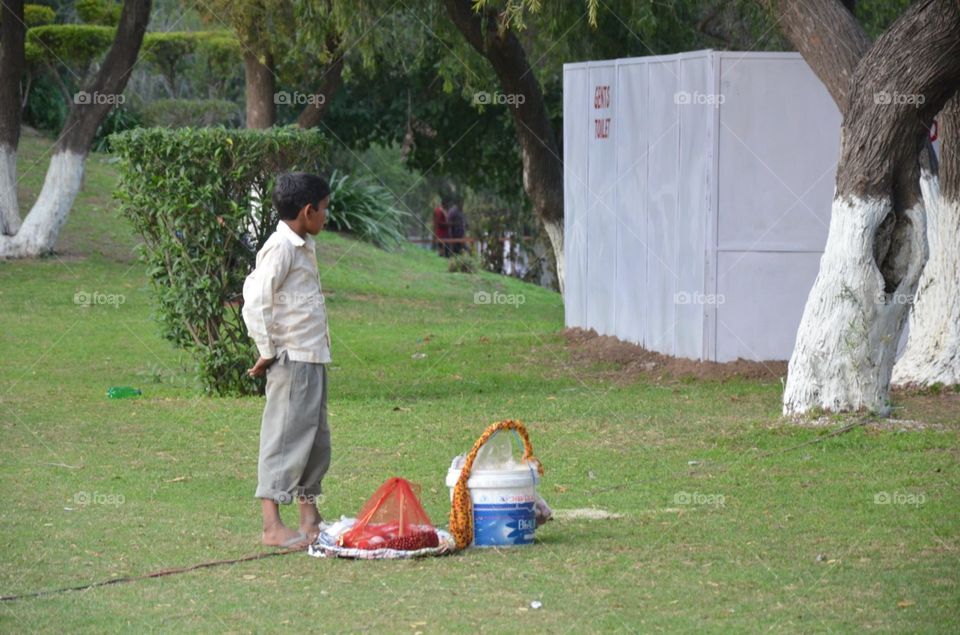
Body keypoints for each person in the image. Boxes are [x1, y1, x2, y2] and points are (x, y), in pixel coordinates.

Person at [241, 172, 332, 549]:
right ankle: (271, 526)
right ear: (308, 211)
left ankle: (310, 517)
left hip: (312, 358)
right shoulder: (280, 248)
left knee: (314, 440)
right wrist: (266, 349)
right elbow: (255, 298)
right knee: (284, 439)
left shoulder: (302, 243)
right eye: (324, 210)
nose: (327, 216)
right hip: (292, 358)